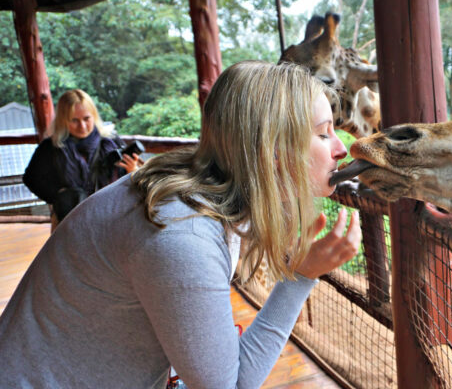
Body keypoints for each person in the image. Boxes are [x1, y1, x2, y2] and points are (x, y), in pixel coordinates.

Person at [0, 61, 361, 388]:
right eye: (323, 133)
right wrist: (300, 277)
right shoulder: (184, 234)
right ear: (273, 149)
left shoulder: (204, 191)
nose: (342, 149)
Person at [22, 89, 142, 228]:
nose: (82, 126)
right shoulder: (50, 147)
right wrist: (59, 196)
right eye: (74, 120)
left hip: (112, 217)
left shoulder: (111, 141)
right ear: (63, 120)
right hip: (71, 223)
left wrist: (132, 170)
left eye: (87, 118)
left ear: (94, 116)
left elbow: (132, 181)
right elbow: (31, 179)